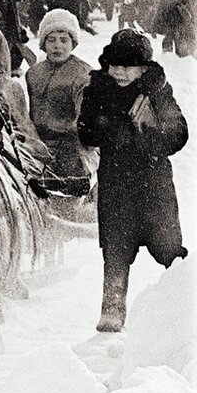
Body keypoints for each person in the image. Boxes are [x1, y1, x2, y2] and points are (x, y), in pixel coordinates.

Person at [77, 29, 188, 333]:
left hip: (154, 183)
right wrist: (111, 128)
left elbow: (179, 133)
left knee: (168, 247)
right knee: (115, 250)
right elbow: (85, 131)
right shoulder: (97, 90)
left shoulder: (157, 90)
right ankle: (112, 306)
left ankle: (185, 301)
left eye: (129, 66)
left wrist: (146, 136)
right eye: (115, 65)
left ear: (143, 68)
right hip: (115, 183)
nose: (120, 72)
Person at [25, 9, 92, 196]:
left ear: (73, 43)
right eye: (51, 40)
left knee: (66, 191)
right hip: (38, 144)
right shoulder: (34, 73)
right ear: (43, 44)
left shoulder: (82, 74)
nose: (57, 46)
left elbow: (85, 120)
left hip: (72, 147)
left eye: (64, 40)